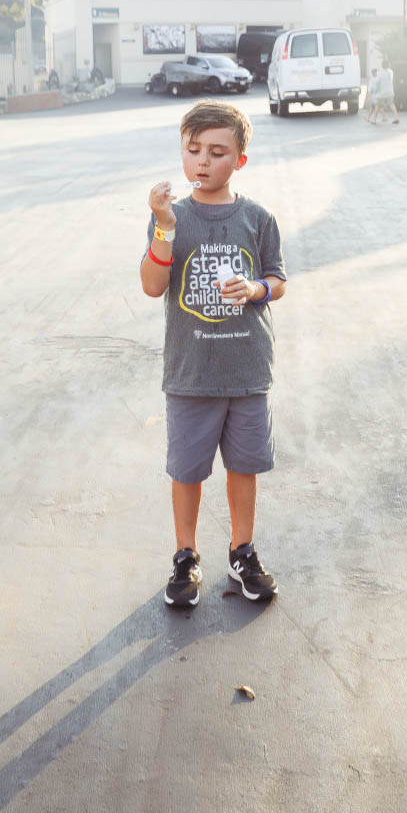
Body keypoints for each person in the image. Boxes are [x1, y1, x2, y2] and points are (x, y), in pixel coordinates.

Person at [140, 100, 287, 608]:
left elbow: (278, 280)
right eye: (193, 149)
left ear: (240, 159)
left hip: (247, 371)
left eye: (217, 151)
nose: (202, 161)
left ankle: (242, 551)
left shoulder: (258, 219)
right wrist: (163, 225)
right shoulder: (172, 218)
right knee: (187, 470)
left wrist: (255, 290)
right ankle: (185, 555)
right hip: (190, 373)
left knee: (242, 467)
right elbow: (152, 285)